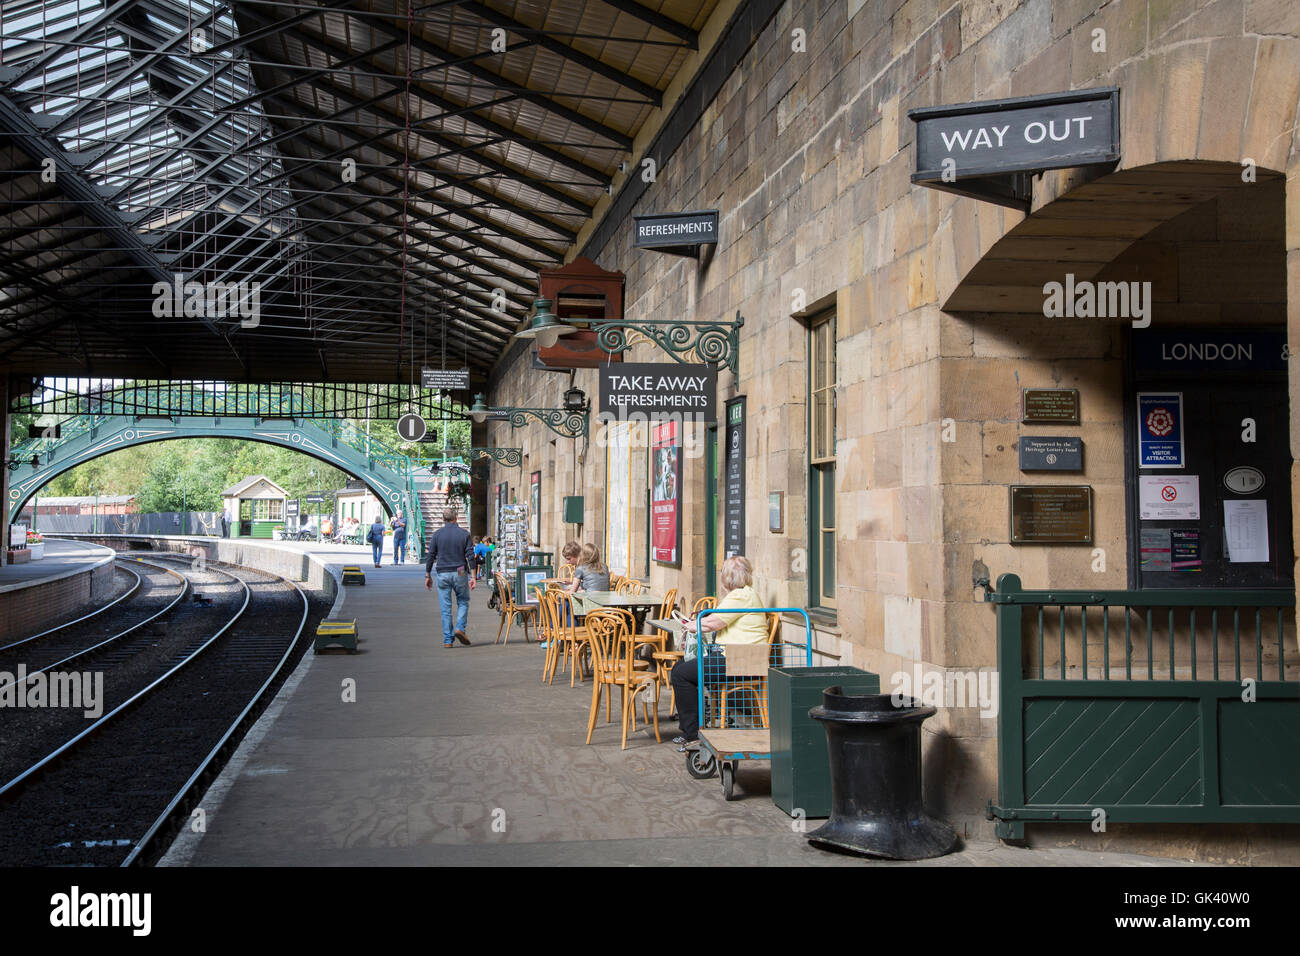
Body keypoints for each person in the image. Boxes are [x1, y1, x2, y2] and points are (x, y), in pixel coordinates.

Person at [669, 555, 767, 749]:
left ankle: (693, 735)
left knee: (680, 674)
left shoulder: (741, 596)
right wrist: (696, 623)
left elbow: (716, 622)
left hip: (738, 659)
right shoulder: (746, 595)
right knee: (681, 667)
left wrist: (691, 626)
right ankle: (692, 728)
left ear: (727, 578)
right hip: (735, 656)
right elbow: (718, 618)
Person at [424, 507, 476, 647]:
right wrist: (473, 577)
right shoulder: (464, 534)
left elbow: (431, 556)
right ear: (456, 517)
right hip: (459, 570)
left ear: (443, 519)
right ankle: (460, 628)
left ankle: (448, 640)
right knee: (463, 600)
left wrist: (428, 575)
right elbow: (470, 556)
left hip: (443, 572)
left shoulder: (437, 535)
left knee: (445, 607)